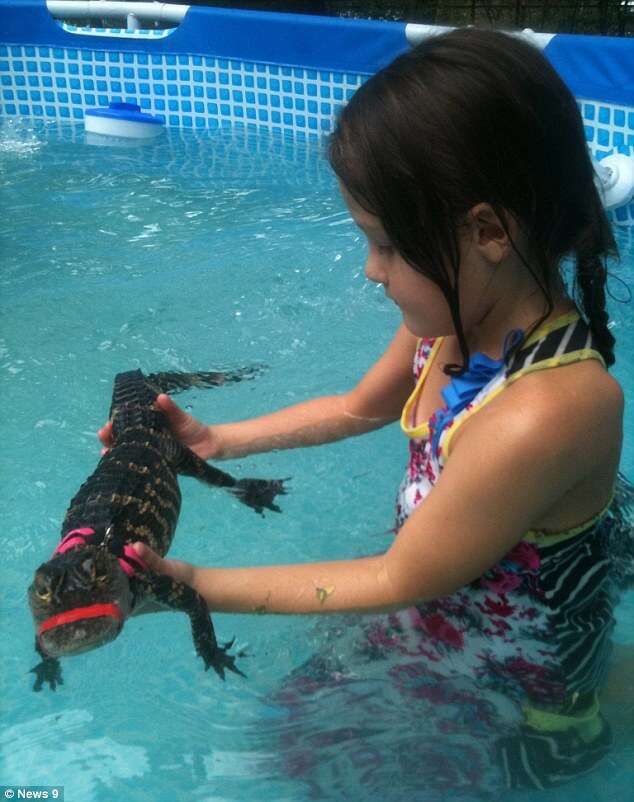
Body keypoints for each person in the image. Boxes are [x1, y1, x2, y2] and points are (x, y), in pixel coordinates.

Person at [99, 28, 632, 793]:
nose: (370, 270)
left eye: (385, 244)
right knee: (295, 731)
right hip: (453, 592)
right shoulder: (452, 314)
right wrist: (217, 440)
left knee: (342, 771)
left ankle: (597, 703)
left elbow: (395, 580)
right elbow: (356, 408)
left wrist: (190, 583)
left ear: (487, 231)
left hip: (525, 672)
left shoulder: (547, 411)